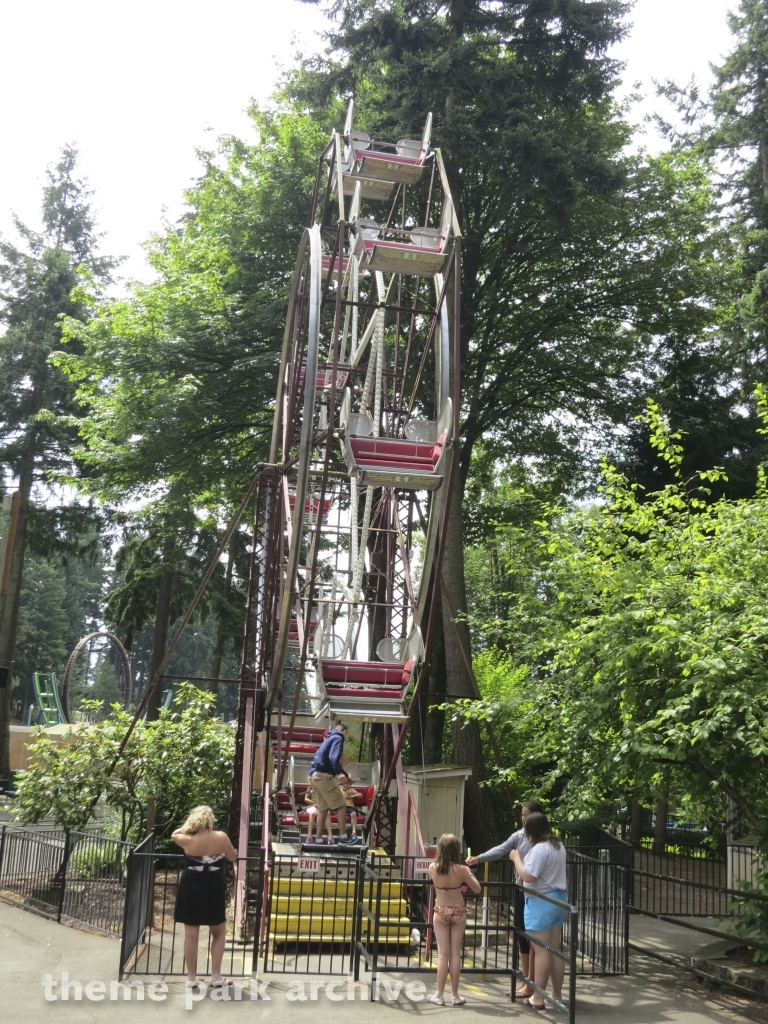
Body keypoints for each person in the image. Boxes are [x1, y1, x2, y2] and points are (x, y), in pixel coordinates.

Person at [466, 799, 543, 997]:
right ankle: (525, 980)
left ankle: (533, 982)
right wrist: (479, 858)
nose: (523, 819)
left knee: (534, 937)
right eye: (522, 816)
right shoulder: (518, 836)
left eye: (526, 816)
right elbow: (501, 849)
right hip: (520, 889)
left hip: (536, 893)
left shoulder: (543, 841)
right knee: (521, 933)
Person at [172, 805, 237, 988]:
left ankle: (191, 978)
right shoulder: (221, 837)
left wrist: (188, 826)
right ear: (211, 820)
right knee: (218, 932)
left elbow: (174, 834)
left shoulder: (186, 839)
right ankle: (215, 976)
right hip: (213, 885)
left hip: (191, 884)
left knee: (191, 934)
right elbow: (232, 856)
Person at [510, 812, 568, 1012]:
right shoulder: (558, 845)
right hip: (560, 899)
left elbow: (528, 875)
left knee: (542, 952)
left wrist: (516, 858)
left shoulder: (539, 849)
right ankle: (557, 996)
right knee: (554, 950)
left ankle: (538, 997)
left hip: (541, 901)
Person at [427, 833, 482, 1006]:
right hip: (458, 910)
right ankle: (455, 995)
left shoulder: (432, 868)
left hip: (440, 911)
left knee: (443, 953)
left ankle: (439, 994)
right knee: (455, 953)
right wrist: (469, 872)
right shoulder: (462, 870)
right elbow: (477, 889)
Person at [306, 723, 358, 845]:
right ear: (344, 732)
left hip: (314, 776)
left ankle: (318, 839)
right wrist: (339, 773)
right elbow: (333, 758)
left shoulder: (328, 739)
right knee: (341, 804)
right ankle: (343, 837)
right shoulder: (339, 738)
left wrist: (346, 775)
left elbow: (327, 760)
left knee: (323, 808)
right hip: (324, 776)